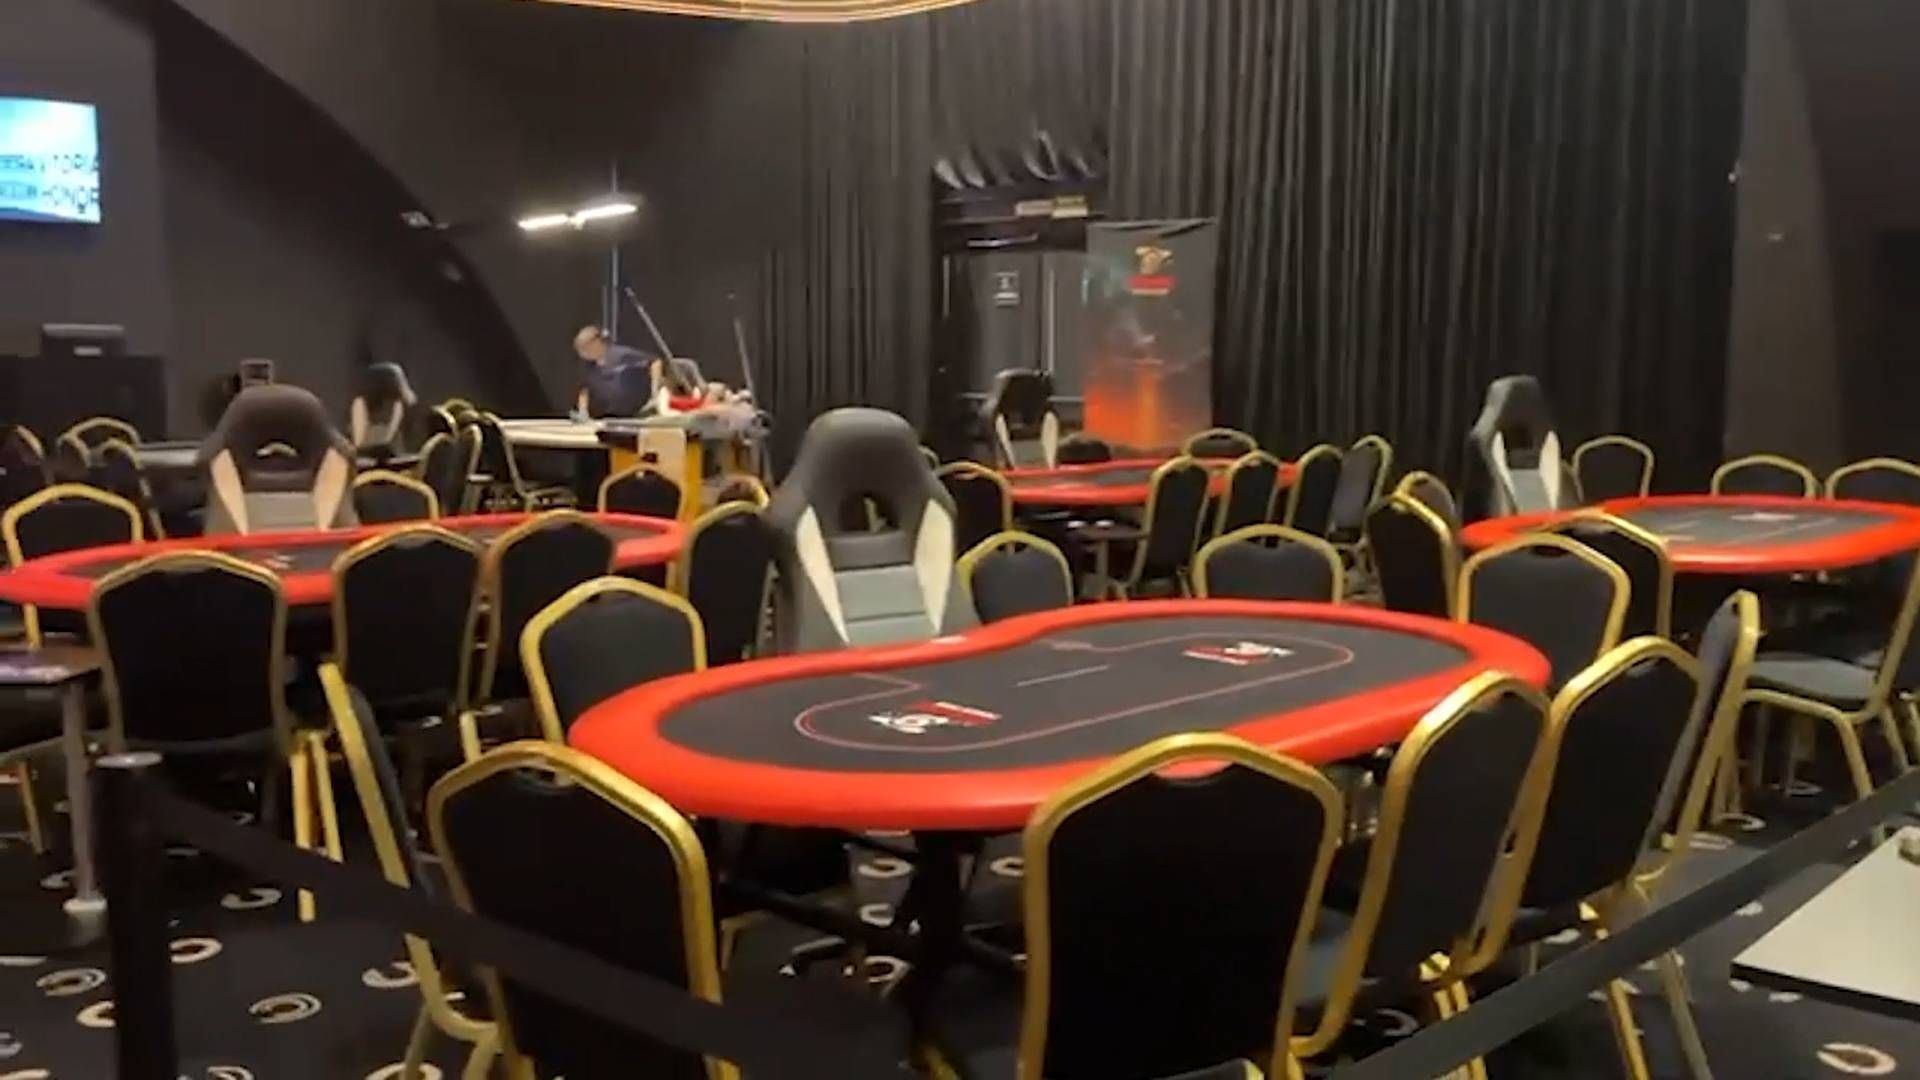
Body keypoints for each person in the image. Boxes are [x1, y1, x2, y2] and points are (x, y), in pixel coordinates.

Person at [572, 325, 656, 417]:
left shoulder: (621, 355)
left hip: (637, 413)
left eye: (584, 348)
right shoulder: (588, 366)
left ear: (596, 343)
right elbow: (584, 389)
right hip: (610, 415)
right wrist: (583, 410)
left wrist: (655, 391)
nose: (582, 354)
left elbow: (655, 362)